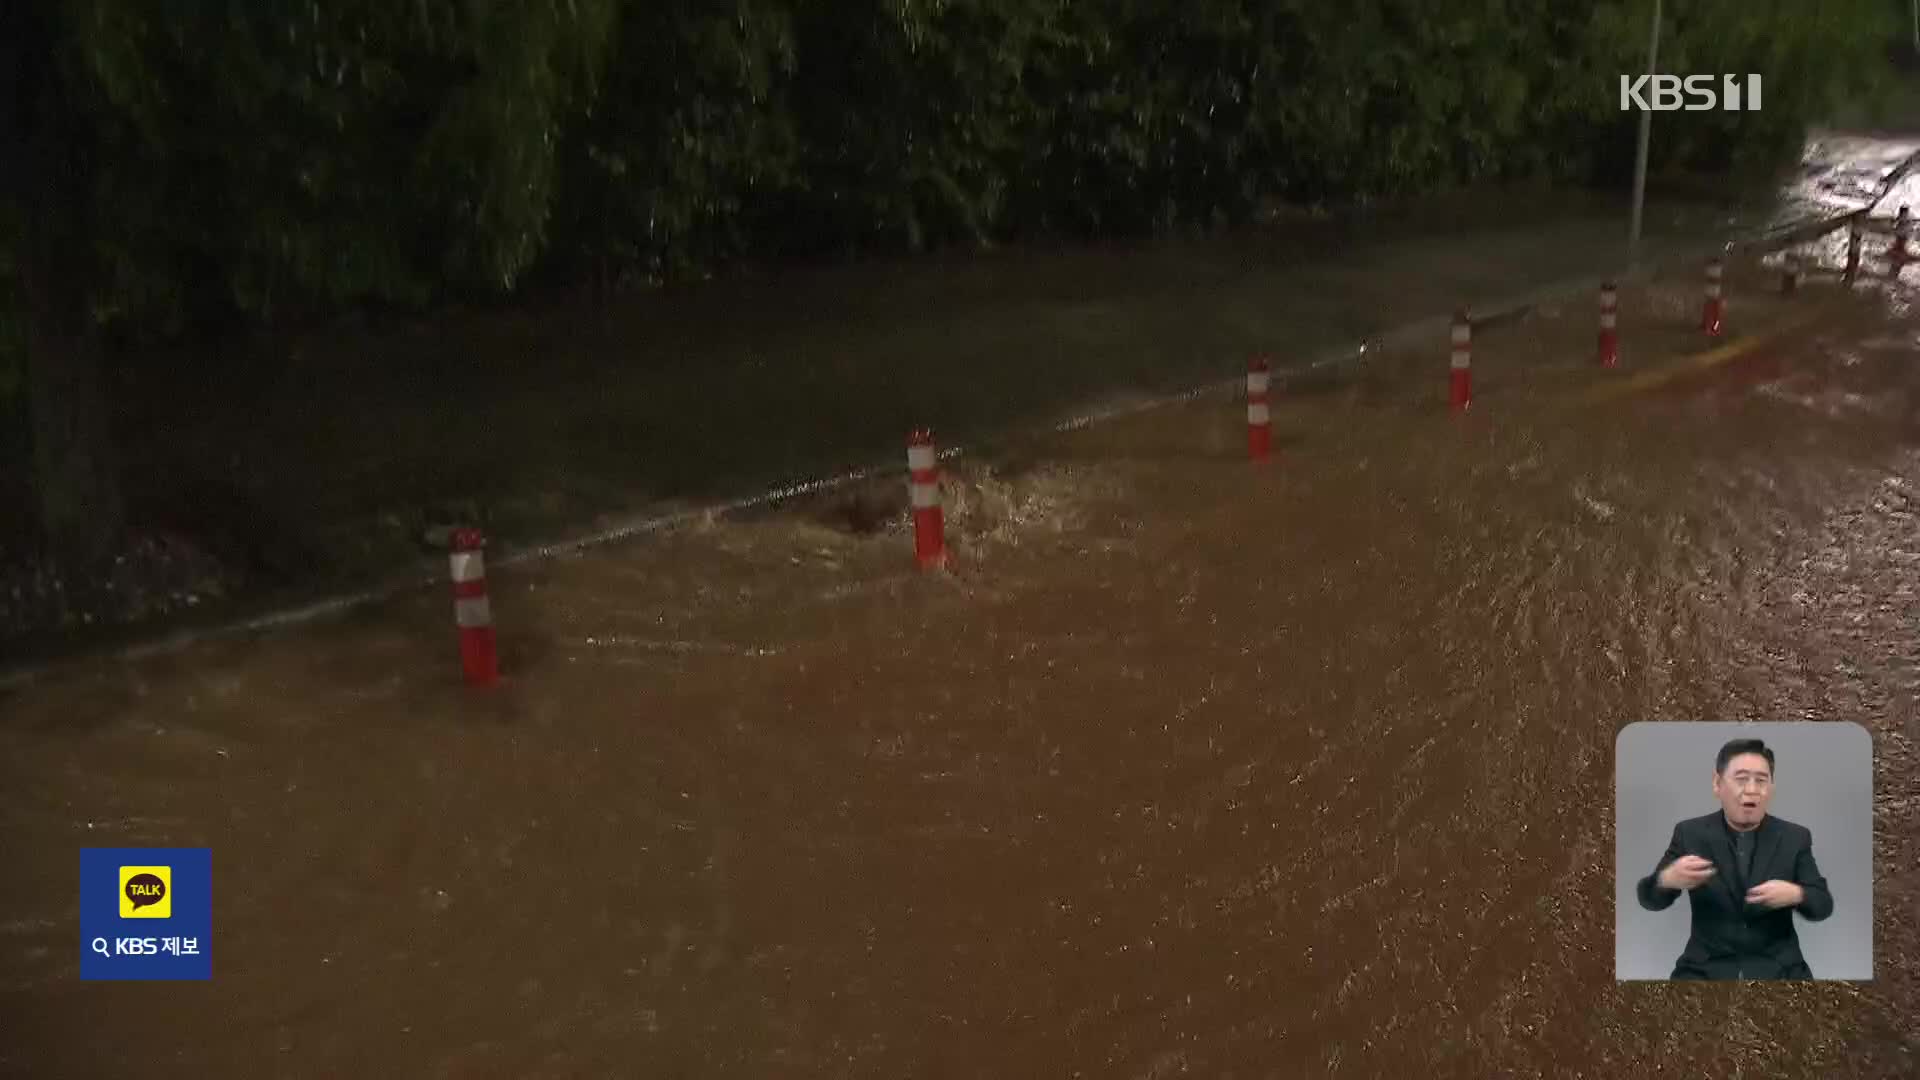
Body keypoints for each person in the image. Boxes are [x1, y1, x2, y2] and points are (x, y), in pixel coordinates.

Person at [1635, 737, 1834, 979]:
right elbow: (1648, 898)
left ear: (1771, 787)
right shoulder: (1690, 834)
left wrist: (1796, 894)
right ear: (1717, 784)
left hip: (1780, 969)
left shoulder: (1795, 837)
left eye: (1761, 780)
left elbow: (1823, 904)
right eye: (1741, 779)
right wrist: (1666, 879)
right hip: (1704, 969)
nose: (1751, 789)